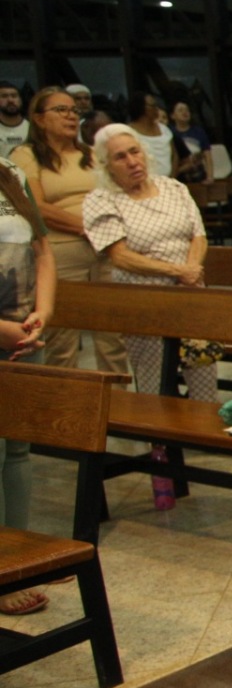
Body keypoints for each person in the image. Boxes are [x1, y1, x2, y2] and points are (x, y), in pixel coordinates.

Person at [86, 124, 215, 511]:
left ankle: (202, 444)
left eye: (135, 152)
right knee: (154, 379)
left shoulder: (173, 188)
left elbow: (198, 235)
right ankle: (163, 451)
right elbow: (120, 256)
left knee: (203, 373)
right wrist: (176, 271)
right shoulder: (101, 200)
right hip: (144, 300)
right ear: (106, 166)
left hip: (189, 292)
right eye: (120, 157)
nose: (132, 161)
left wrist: (191, 270)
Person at [11, 86, 129, 376]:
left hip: (105, 250)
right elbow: (35, 206)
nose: (71, 116)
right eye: (61, 110)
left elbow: (115, 195)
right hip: (59, 255)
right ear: (39, 118)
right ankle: (66, 401)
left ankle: (116, 400)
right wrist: (89, 228)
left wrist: (108, 231)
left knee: (113, 337)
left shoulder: (91, 154)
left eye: (74, 110)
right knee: (62, 342)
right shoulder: (26, 155)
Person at [0, 154, 56, 615]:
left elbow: (42, 249)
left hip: (22, 332)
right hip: (6, 332)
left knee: (18, 451)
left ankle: (19, 559)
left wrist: (43, 312)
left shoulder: (10, 172)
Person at [169, 99, 213, 183]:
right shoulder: (169, 133)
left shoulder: (198, 131)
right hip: (177, 176)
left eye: (187, 110)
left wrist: (210, 176)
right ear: (173, 116)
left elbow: (207, 155)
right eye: (180, 110)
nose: (184, 112)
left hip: (198, 174)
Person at [0, 81, 30, 154]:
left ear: (21, 100)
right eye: (4, 96)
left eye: (14, 96)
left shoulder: (32, 127)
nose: (10, 100)